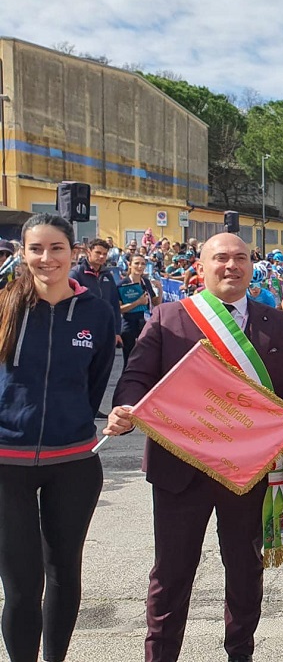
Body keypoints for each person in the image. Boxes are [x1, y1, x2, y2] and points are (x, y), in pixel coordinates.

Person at [104, 233, 283, 662]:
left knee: (244, 570)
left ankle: (239, 653)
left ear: (251, 266)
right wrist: (126, 406)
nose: (231, 266)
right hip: (178, 468)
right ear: (201, 267)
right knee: (171, 574)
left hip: (247, 469)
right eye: (220, 258)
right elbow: (135, 377)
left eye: (240, 258)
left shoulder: (277, 322)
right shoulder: (169, 317)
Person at [0, 215, 116, 662]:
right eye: (36, 249)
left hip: (73, 462)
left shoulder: (96, 313)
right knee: (22, 585)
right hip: (7, 464)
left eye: (56, 248)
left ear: (74, 251)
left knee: (64, 572)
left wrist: (75, 421)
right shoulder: (5, 305)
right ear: (22, 252)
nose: (46, 258)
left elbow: (96, 382)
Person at [119, 253, 163, 368]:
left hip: (144, 323)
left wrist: (160, 289)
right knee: (129, 359)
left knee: (145, 357)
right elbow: (119, 309)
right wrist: (137, 302)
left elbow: (156, 303)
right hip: (129, 325)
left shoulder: (145, 282)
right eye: (137, 263)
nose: (140, 266)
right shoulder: (123, 284)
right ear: (129, 265)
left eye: (143, 264)